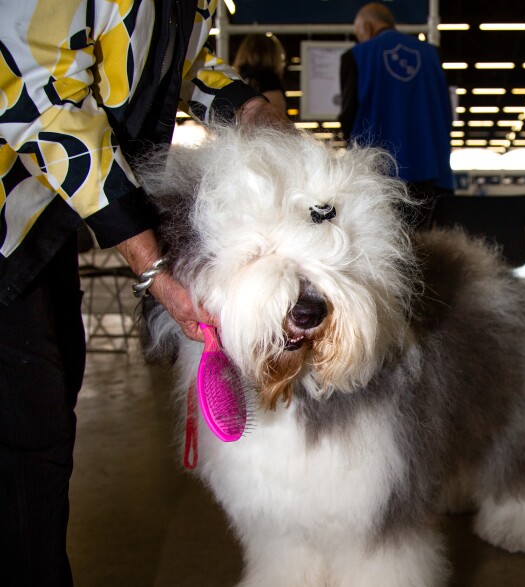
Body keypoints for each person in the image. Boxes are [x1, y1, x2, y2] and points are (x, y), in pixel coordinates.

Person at [0, 1, 287, 584]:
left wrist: (249, 108)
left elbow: (180, 68)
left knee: (49, 415)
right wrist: (152, 265)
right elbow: (37, 102)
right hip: (9, 219)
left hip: (41, 229)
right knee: (29, 435)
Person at [339, 2, 454, 229]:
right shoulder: (431, 55)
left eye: (359, 34)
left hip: (377, 173)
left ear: (368, 26)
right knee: (426, 246)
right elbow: (445, 113)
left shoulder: (356, 56)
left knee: (384, 246)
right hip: (428, 170)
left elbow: (349, 117)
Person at [233, 33, 288, 115]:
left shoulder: (236, 80)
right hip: (259, 126)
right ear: (274, 54)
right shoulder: (269, 79)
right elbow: (276, 115)